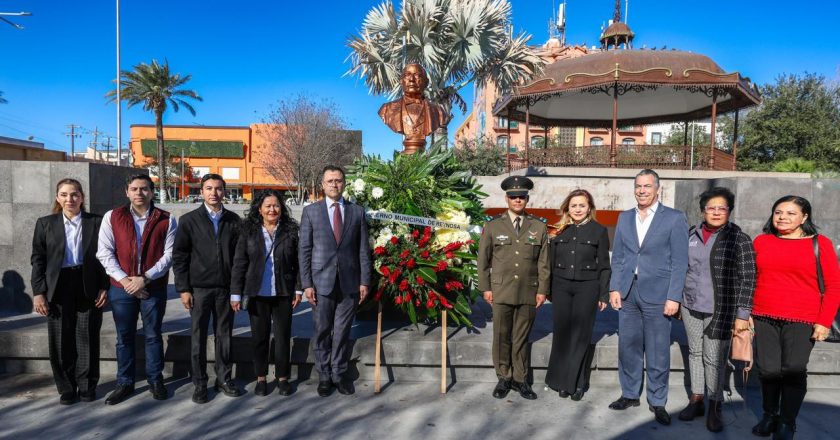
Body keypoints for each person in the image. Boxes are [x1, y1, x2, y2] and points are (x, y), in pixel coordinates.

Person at [750, 195, 840, 439]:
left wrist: (823, 321)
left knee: (794, 369)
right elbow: (750, 279)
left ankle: (787, 422)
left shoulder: (820, 243)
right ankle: (770, 415)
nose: (782, 217)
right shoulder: (762, 241)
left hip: (803, 318)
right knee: (767, 370)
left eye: (791, 213)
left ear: (805, 217)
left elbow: (834, 286)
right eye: (778, 212)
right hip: (763, 315)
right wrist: (746, 313)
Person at [607, 169, 689, 426]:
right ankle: (630, 394)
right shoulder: (625, 217)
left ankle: (657, 400)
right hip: (628, 292)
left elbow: (680, 262)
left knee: (657, 350)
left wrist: (674, 297)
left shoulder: (674, 219)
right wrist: (614, 288)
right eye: (638, 186)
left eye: (647, 186)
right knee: (628, 347)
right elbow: (618, 256)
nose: (642, 191)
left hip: (659, 294)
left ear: (657, 189)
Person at [676, 187, 756, 432]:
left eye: (722, 208)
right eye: (711, 208)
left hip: (720, 308)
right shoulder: (691, 234)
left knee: (714, 358)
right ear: (703, 211)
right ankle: (697, 399)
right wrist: (678, 300)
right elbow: (683, 268)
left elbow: (749, 277)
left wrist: (743, 314)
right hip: (690, 304)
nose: (716, 212)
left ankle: (715, 405)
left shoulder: (739, 239)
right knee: (695, 353)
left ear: (729, 211)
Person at [96, 174, 177, 405]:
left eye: (144, 189)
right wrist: (126, 281)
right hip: (121, 288)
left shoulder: (167, 219)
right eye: (134, 189)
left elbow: (169, 255)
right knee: (124, 337)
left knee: (153, 335)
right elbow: (104, 252)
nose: (139, 193)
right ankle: (125, 382)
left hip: (154, 287)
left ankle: (155, 379)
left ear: (152, 192)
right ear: (127, 192)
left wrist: (145, 279)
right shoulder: (112, 217)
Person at [30, 178, 109, 405]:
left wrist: (104, 285)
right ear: (57, 198)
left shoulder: (97, 222)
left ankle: (86, 386)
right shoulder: (45, 224)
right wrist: (38, 292)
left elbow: (105, 257)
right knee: (60, 339)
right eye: (64, 194)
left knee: (87, 336)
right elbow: (38, 260)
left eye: (74, 194)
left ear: (82, 197)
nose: (69, 199)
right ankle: (66, 387)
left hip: (87, 283)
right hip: (58, 286)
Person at [299, 165, 371, 397]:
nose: (334, 184)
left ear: (344, 183)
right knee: (322, 330)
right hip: (321, 283)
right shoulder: (311, 212)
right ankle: (324, 375)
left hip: (349, 282)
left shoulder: (357, 212)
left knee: (342, 330)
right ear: (322, 184)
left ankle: (339, 373)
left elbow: (363, 250)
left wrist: (365, 281)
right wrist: (306, 284)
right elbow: (305, 250)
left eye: (338, 180)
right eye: (329, 180)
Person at [478, 176, 550, 400]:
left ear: (527, 199)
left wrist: (542, 290)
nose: (517, 200)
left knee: (521, 337)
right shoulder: (492, 226)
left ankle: (520, 379)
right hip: (501, 290)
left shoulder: (538, 226)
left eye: (521, 196)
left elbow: (543, 262)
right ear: (506, 198)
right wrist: (486, 288)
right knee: (501, 336)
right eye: (513, 196)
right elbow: (483, 261)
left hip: (529, 290)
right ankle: (504, 377)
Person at [173, 174, 243, 404]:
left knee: (224, 337)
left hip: (225, 289)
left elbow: (240, 259)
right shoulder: (188, 220)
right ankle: (200, 383)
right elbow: (180, 257)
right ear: (201, 191)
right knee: (198, 337)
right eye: (209, 188)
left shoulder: (234, 221)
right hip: (199, 290)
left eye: (219, 189)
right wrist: (183, 289)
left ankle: (223, 379)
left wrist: (236, 290)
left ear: (225, 192)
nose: (214, 193)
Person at [230, 189, 301, 397]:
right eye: (268, 206)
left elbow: (297, 263)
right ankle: (261, 378)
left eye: (276, 205)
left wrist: (298, 289)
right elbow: (239, 263)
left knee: (282, 337)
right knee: (259, 337)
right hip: (257, 293)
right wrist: (236, 293)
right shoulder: (248, 231)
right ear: (259, 209)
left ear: (282, 208)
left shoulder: (289, 230)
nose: (272, 209)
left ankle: (283, 378)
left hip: (283, 292)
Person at [544, 189, 610, 401]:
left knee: (581, 336)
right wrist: (548, 290)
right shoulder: (558, 230)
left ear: (589, 208)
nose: (578, 209)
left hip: (587, 287)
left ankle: (577, 383)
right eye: (574, 206)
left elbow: (604, 266)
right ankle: (561, 381)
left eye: (582, 205)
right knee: (562, 334)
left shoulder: (599, 230)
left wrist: (603, 294)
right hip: (561, 286)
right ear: (567, 208)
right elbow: (550, 263)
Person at [378, 63, 450, 153]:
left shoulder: (438, 113)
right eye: (407, 75)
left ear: (426, 82)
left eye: (417, 75)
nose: (412, 79)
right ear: (401, 81)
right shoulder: (387, 109)